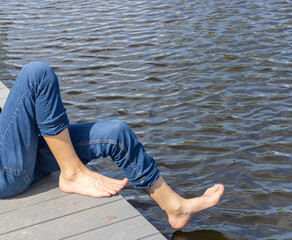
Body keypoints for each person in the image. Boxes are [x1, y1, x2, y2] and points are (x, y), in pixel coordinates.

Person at [0, 62, 224, 229]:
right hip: (5, 169)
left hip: (18, 155)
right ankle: (72, 173)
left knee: (116, 132)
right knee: (37, 75)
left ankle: (175, 207)